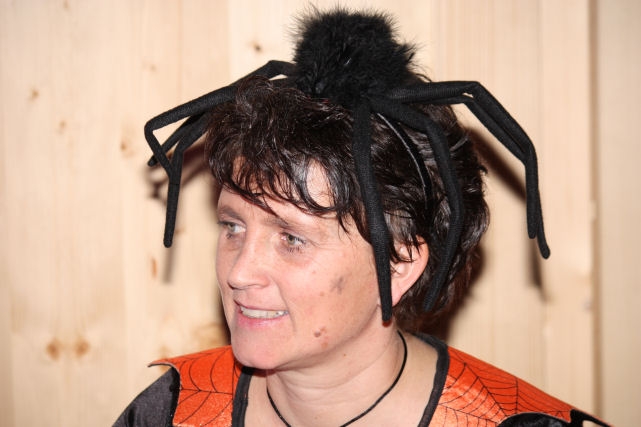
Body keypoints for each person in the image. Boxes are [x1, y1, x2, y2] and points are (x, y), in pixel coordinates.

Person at [115, 8, 608, 427]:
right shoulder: (168, 411)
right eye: (232, 227)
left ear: (399, 262)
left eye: (291, 238)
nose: (239, 272)